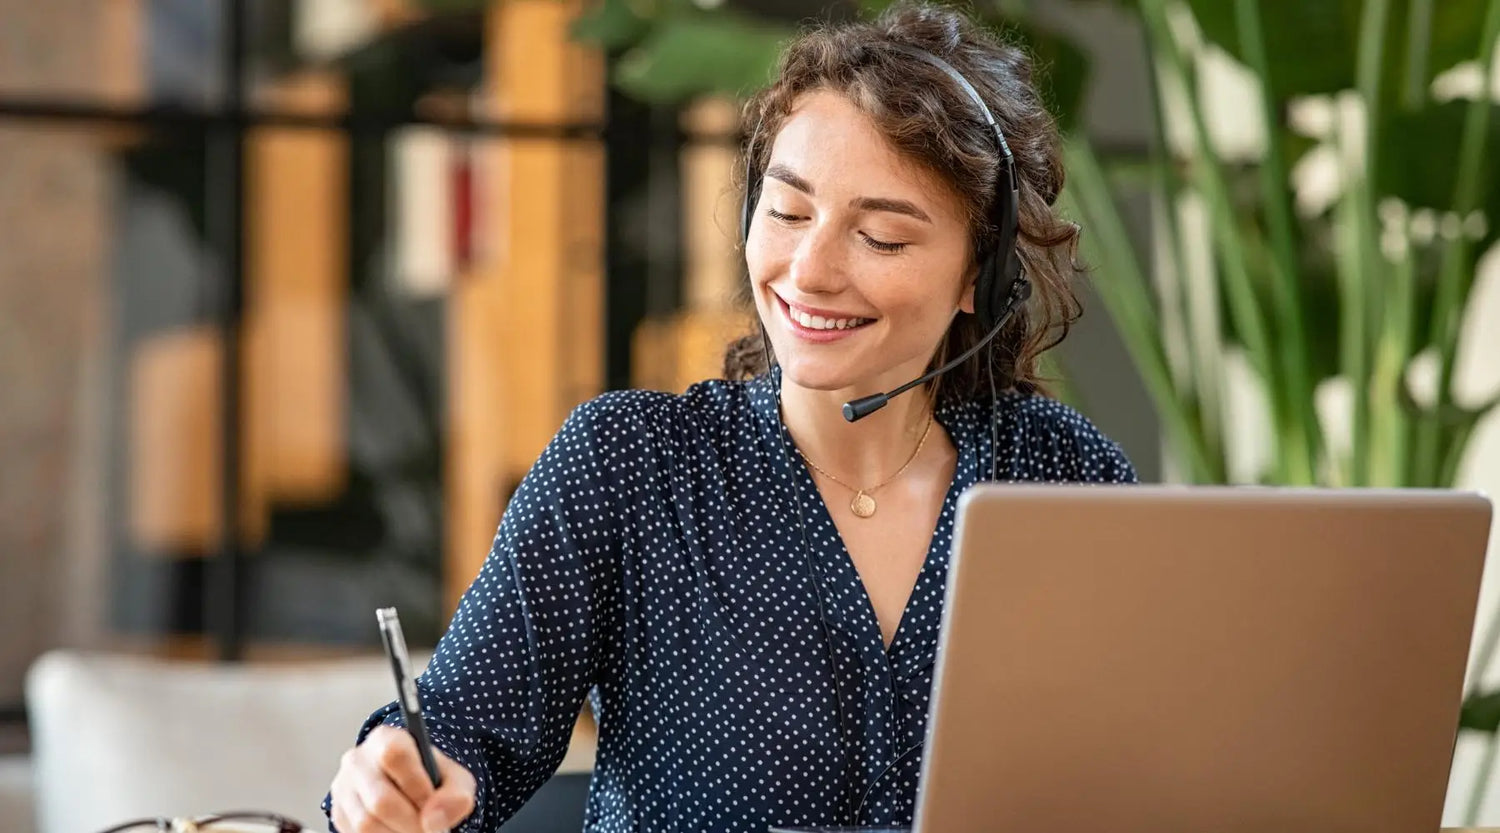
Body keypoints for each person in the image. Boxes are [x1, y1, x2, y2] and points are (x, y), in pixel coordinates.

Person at [324, 3, 1136, 832]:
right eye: (787, 212)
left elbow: (1150, 760)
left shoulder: (1062, 476)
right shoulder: (629, 464)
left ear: (982, 277)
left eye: (883, 237)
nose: (808, 270)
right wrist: (390, 783)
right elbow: (459, 736)